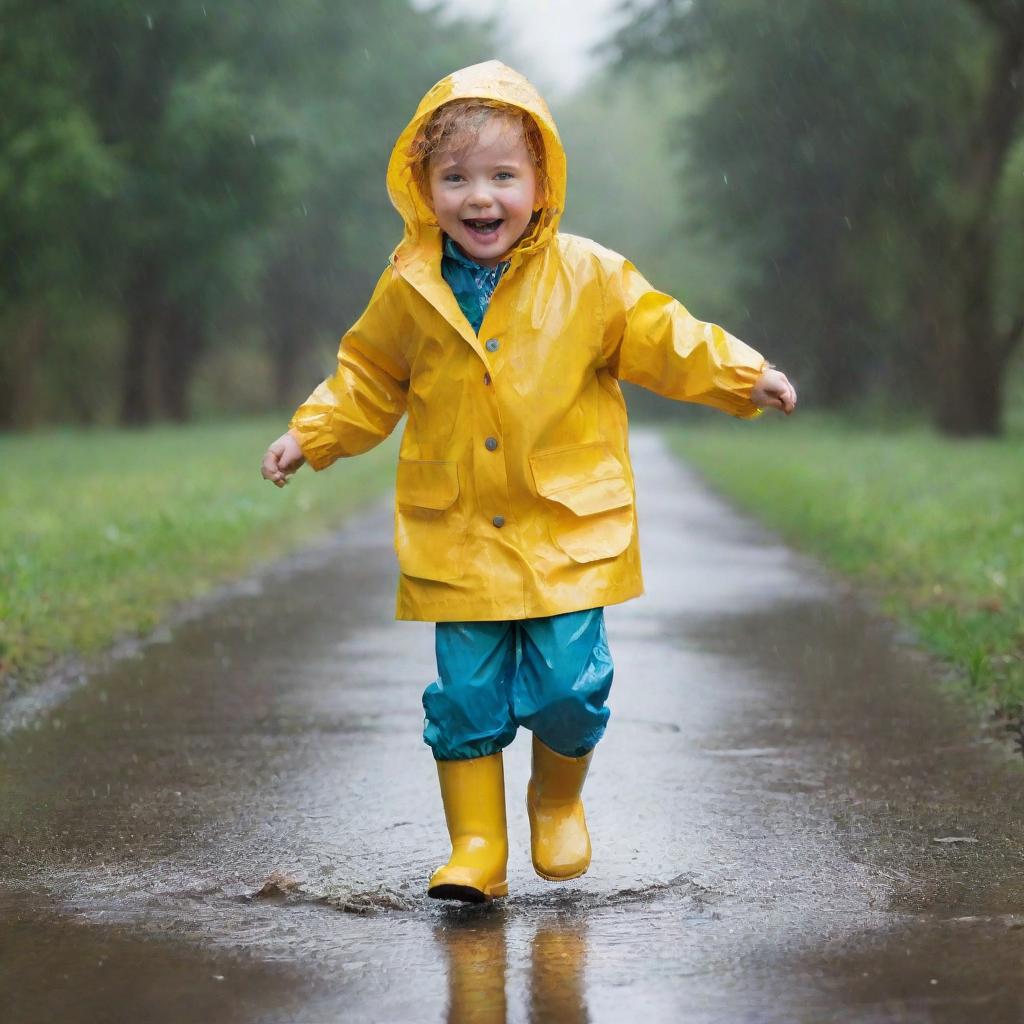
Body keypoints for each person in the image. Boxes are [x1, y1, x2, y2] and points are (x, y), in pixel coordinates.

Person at [261, 61, 797, 904]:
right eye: (457, 177)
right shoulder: (409, 286)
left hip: (567, 524)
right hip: (459, 530)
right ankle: (476, 845)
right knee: (466, 695)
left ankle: (556, 799)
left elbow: (665, 337)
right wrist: (311, 433)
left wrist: (743, 376)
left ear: (540, 183)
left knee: (567, 687)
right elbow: (368, 377)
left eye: (503, 176)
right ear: (423, 187)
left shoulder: (591, 277)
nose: (481, 197)